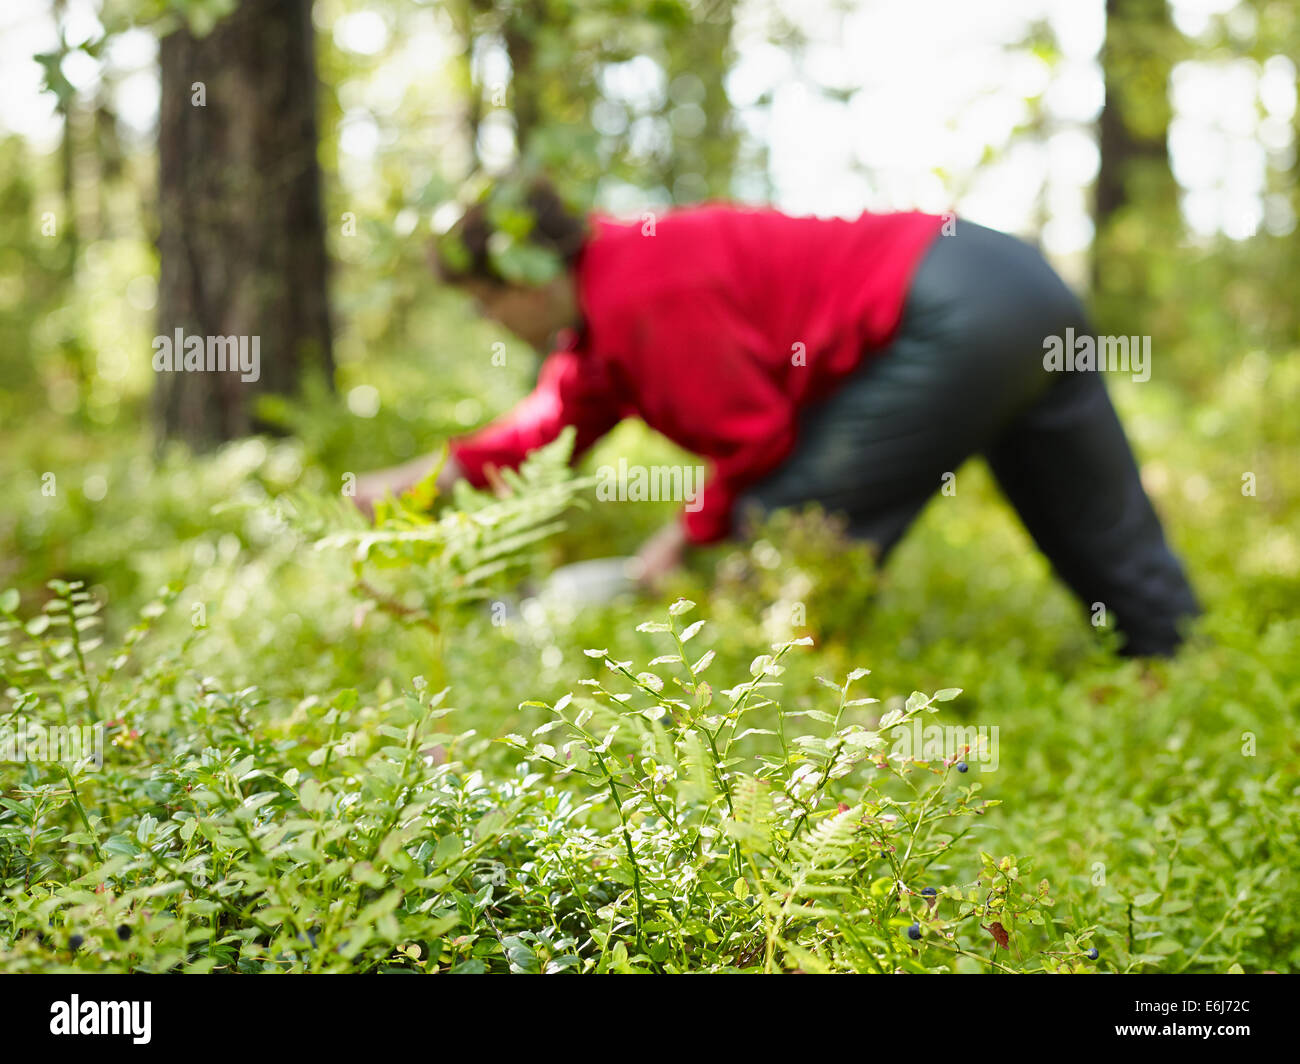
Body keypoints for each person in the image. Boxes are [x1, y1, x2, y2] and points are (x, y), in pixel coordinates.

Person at [354, 176, 1199, 656]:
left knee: (786, 518)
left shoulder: (641, 290)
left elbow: (757, 439)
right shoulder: (609, 301)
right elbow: (549, 426)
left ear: (527, 278)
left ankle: (797, 708)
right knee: (1092, 517)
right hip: (1017, 283)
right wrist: (418, 485)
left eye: (482, 304)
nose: (488, 324)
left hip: (946, 311)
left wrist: (677, 543)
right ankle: (1176, 666)